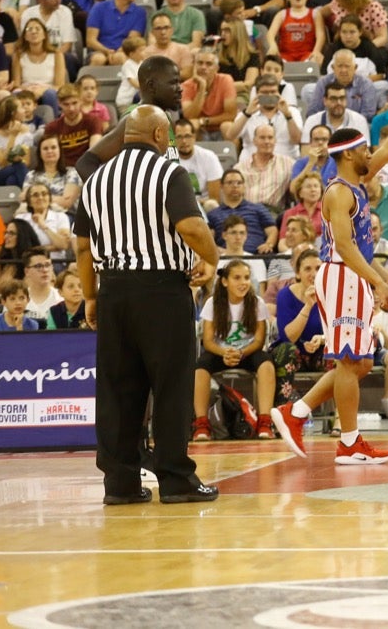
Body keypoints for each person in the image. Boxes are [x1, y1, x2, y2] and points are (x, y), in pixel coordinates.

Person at [74, 67, 222, 505]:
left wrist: (90, 296)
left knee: (118, 392)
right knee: (171, 386)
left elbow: (82, 247)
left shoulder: (95, 181)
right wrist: (211, 259)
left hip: (113, 290)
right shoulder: (167, 172)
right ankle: (176, 480)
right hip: (161, 290)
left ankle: (119, 484)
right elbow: (191, 226)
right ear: (160, 135)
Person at [268, 83, 388, 466]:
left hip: (353, 278)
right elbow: (344, 247)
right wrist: (379, 281)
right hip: (342, 277)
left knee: (360, 363)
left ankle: (296, 412)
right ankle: (348, 443)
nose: (370, 154)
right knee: (348, 361)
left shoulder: (356, 181)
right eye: (364, 150)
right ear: (348, 154)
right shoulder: (339, 191)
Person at [190, 259, 274, 441]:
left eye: (246, 278)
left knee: (266, 363)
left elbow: (259, 340)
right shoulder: (213, 303)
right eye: (237, 278)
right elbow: (208, 341)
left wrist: (241, 353)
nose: (243, 282)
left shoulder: (257, 302)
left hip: (248, 352)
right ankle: (201, 424)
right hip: (220, 352)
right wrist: (225, 353)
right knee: (200, 366)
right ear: (225, 281)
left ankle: (265, 422)